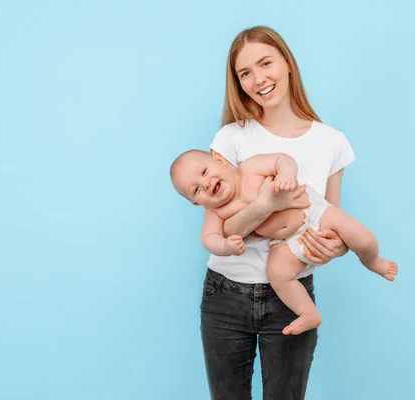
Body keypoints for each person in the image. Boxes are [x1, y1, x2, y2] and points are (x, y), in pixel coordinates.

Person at [192, 25, 358, 399]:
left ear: (287, 63)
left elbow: (332, 218)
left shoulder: (332, 142)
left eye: (265, 63)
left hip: (292, 295)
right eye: (244, 73)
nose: (257, 79)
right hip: (225, 295)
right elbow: (223, 228)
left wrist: (337, 248)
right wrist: (267, 204)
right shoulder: (231, 138)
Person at [170, 150, 398, 335]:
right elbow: (209, 238)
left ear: (220, 160)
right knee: (277, 274)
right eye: (196, 189)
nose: (206, 183)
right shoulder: (216, 211)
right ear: (196, 203)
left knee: (363, 238)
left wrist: (286, 173)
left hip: (313, 212)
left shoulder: (248, 169)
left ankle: (373, 261)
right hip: (283, 241)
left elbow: (281, 159)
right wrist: (225, 246)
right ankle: (308, 313)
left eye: (204, 171)